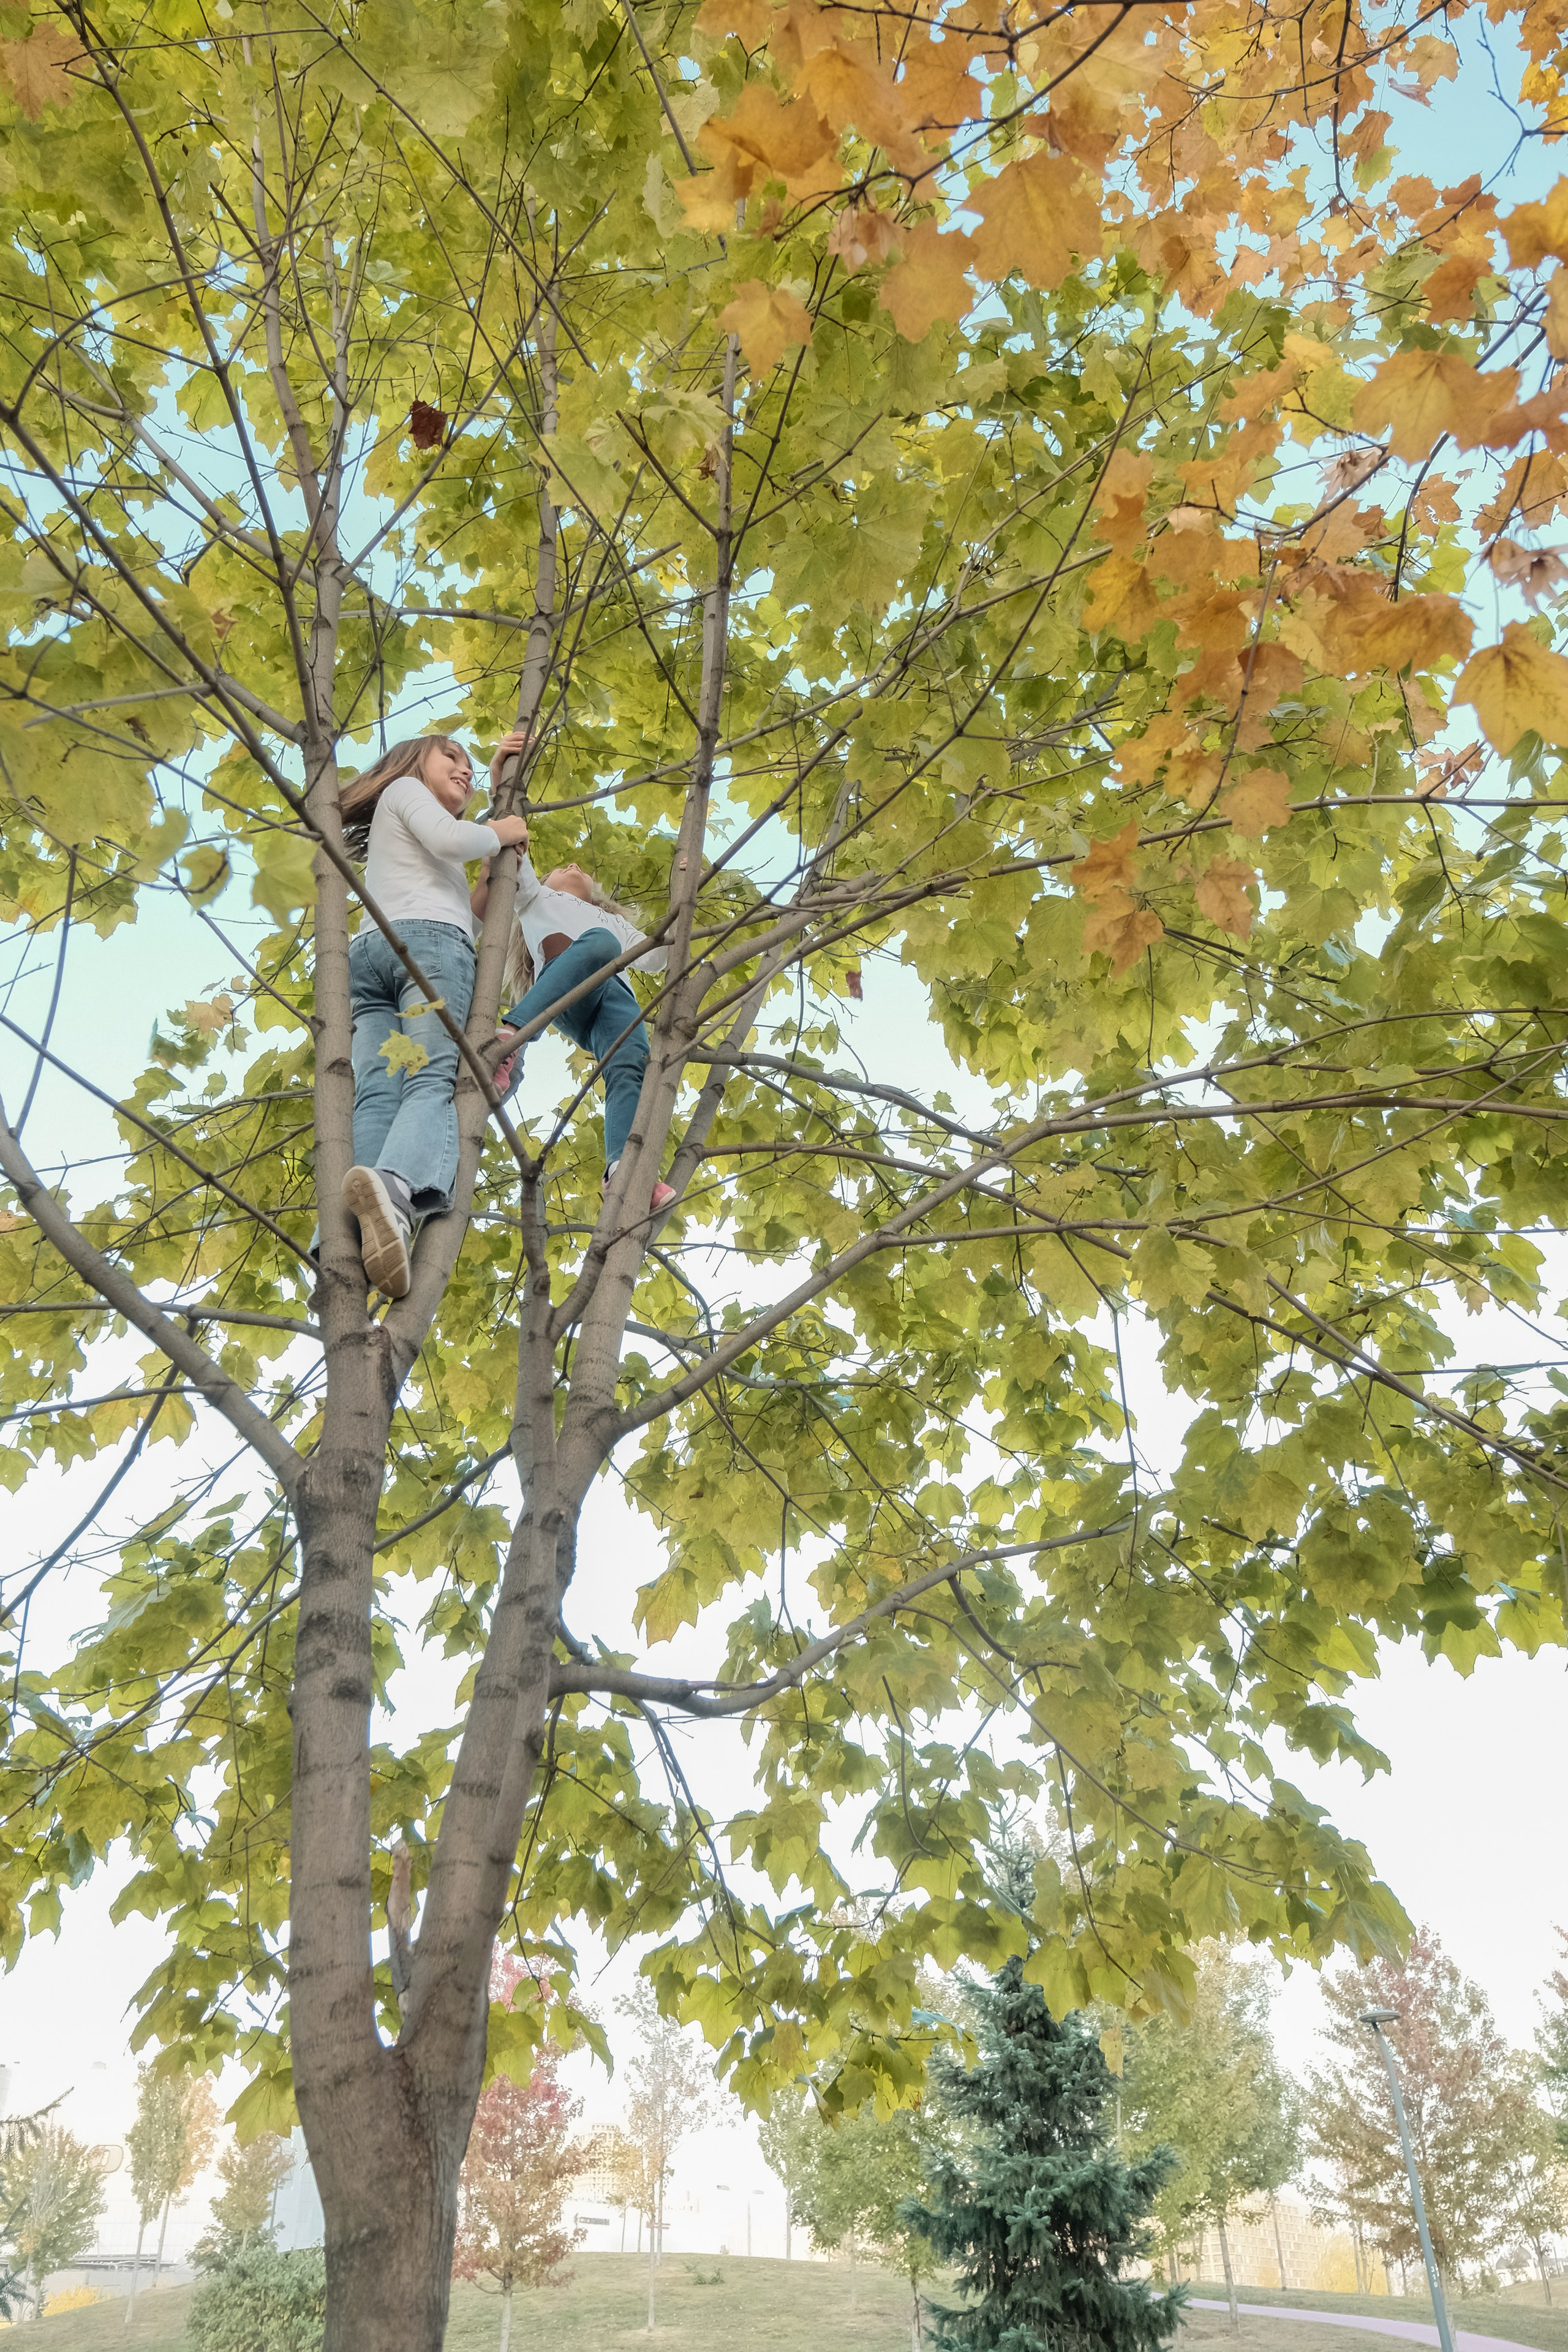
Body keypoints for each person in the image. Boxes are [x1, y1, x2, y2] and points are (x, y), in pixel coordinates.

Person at [336, 728, 530, 1298]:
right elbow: (451, 841)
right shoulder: (406, 791)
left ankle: (351, 1232)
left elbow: (467, 913)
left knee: (380, 1092)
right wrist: (503, 828)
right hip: (426, 949)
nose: (464, 769)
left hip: (375, 958)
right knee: (433, 1078)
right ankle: (397, 1190)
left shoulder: (403, 820)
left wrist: (494, 835)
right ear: (413, 761)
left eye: (470, 765)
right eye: (452, 757)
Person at [497, 856, 677, 1215]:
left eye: (581, 869)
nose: (574, 865)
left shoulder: (614, 921)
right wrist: (516, 838)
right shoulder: (536, 897)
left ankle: (624, 1171)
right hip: (569, 986)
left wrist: (681, 899)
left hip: (617, 1000)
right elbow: (517, 865)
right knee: (602, 944)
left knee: (632, 1064)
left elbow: (657, 959)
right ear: (544, 881)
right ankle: (510, 1037)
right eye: (562, 867)